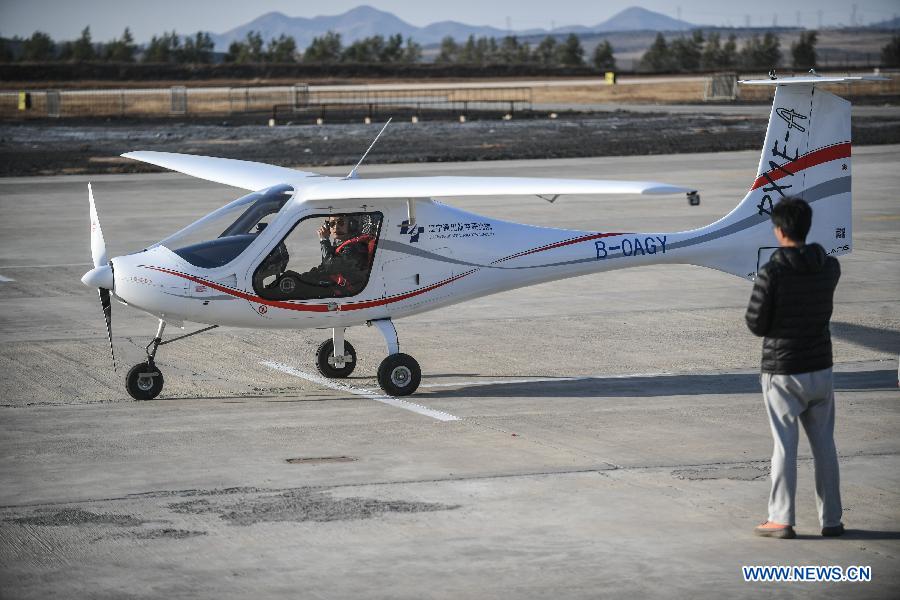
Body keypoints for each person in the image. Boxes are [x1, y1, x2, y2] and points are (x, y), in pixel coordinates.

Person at [745, 197, 844, 539]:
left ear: (779, 230)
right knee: (825, 446)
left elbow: (756, 323)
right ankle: (831, 519)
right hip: (821, 367)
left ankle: (781, 518)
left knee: (785, 447)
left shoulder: (772, 271)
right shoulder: (829, 267)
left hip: (784, 371)